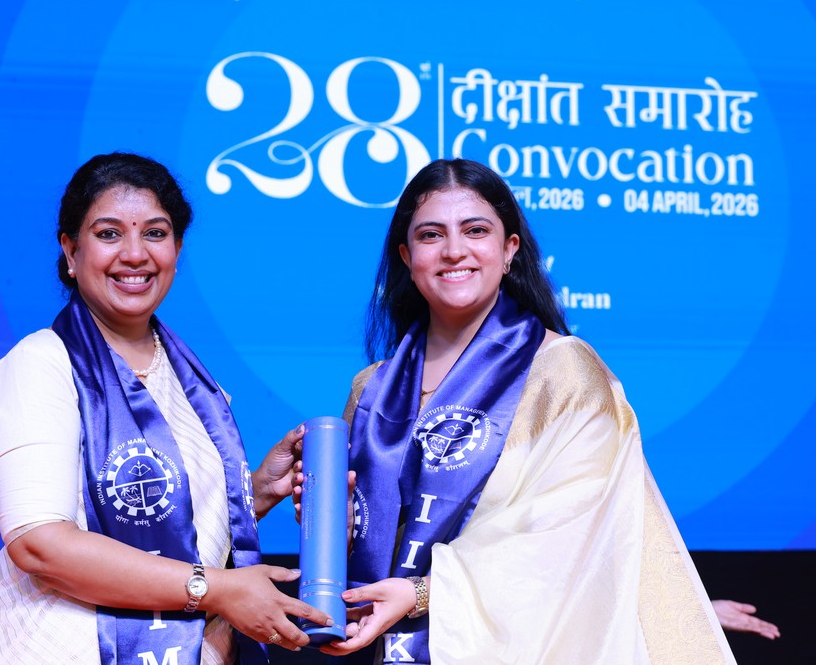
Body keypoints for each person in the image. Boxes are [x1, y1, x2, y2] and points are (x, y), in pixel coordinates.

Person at [315, 158, 736, 663]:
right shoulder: (372, 390)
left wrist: (425, 592)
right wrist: (334, 516)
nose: (454, 250)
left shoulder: (564, 371)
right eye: (430, 235)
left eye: (476, 231)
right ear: (407, 255)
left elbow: (574, 536)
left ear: (510, 248)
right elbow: (364, 551)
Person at [0, 152, 332, 664]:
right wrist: (217, 590)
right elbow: (40, 544)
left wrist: (256, 492)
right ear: (70, 251)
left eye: (155, 233)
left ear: (177, 249)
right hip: (56, 645)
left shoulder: (192, 381)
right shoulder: (41, 364)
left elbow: (160, 520)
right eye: (109, 234)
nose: (134, 254)